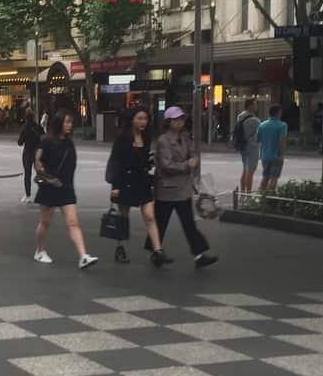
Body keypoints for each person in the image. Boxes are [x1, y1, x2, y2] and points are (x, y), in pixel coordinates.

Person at [147, 107, 218, 269]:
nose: (179, 122)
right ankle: (155, 251)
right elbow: (166, 165)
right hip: (167, 189)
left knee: (189, 223)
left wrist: (194, 158)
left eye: (181, 119)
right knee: (160, 222)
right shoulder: (163, 140)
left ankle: (199, 255)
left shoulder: (185, 137)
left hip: (183, 188)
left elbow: (192, 153)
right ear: (168, 122)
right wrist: (187, 164)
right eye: (175, 119)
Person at [108, 107, 172, 268]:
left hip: (142, 180)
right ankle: (120, 247)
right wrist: (115, 185)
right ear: (132, 120)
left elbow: (145, 160)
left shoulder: (147, 137)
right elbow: (116, 161)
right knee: (124, 217)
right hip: (125, 180)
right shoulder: (122, 138)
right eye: (140, 118)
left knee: (150, 216)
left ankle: (157, 250)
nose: (143, 122)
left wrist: (151, 161)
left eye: (145, 119)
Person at [33, 111, 99, 269]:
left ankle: (83, 255)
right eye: (66, 122)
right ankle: (40, 250)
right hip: (49, 186)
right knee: (45, 222)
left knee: (73, 222)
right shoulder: (46, 141)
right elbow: (37, 162)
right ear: (59, 123)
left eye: (71, 122)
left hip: (66, 188)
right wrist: (48, 178)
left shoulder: (69, 143)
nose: (69, 125)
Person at [256, 104, 288, 191]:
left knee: (265, 177)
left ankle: (262, 196)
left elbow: (258, 140)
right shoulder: (282, 125)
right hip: (276, 155)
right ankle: (270, 197)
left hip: (265, 156)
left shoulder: (262, 125)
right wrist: (282, 155)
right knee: (274, 178)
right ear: (278, 113)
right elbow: (282, 141)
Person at [18, 108, 45, 203]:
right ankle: (42, 194)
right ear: (33, 117)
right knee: (40, 174)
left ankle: (28, 195)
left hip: (27, 152)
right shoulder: (37, 127)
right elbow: (43, 137)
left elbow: (20, 142)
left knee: (27, 174)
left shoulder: (25, 128)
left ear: (25, 117)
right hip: (37, 153)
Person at [235, 99, 261, 195]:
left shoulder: (240, 116)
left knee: (245, 170)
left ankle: (242, 194)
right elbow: (260, 135)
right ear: (250, 106)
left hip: (243, 146)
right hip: (253, 147)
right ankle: (248, 196)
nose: (256, 106)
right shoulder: (255, 120)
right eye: (255, 104)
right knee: (250, 172)